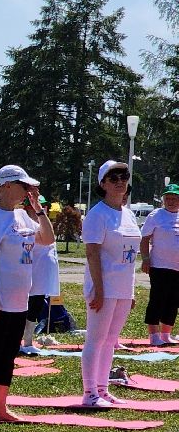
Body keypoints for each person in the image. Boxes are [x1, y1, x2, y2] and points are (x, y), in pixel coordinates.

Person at [0, 165, 55, 422]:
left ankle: (0, 407)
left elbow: (47, 239)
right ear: (7, 186)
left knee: (8, 354)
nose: (28, 190)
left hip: (19, 300)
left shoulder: (21, 216)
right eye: (24, 185)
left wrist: (38, 209)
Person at [80, 160, 141, 408]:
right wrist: (99, 288)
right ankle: (89, 392)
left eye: (124, 177)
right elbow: (92, 253)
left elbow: (131, 257)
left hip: (122, 287)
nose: (120, 182)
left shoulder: (128, 214)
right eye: (113, 178)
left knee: (111, 339)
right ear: (102, 183)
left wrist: (130, 290)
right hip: (103, 287)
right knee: (96, 339)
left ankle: (103, 388)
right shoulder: (97, 214)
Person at [21, 196, 62, 356]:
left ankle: (28, 341)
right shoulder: (25, 225)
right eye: (38, 206)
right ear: (27, 208)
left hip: (43, 277)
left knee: (35, 309)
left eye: (44, 206)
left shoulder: (45, 224)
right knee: (25, 309)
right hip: (29, 275)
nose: (42, 208)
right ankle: (18, 341)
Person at [141, 183, 179, 344]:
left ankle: (166, 334)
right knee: (158, 298)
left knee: (173, 301)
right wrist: (145, 259)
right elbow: (144, 239)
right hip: (159, 266)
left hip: (177, 267)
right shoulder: (156, 215)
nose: (170, 201)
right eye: (167, 198)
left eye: (174, 198)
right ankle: (154, 335)